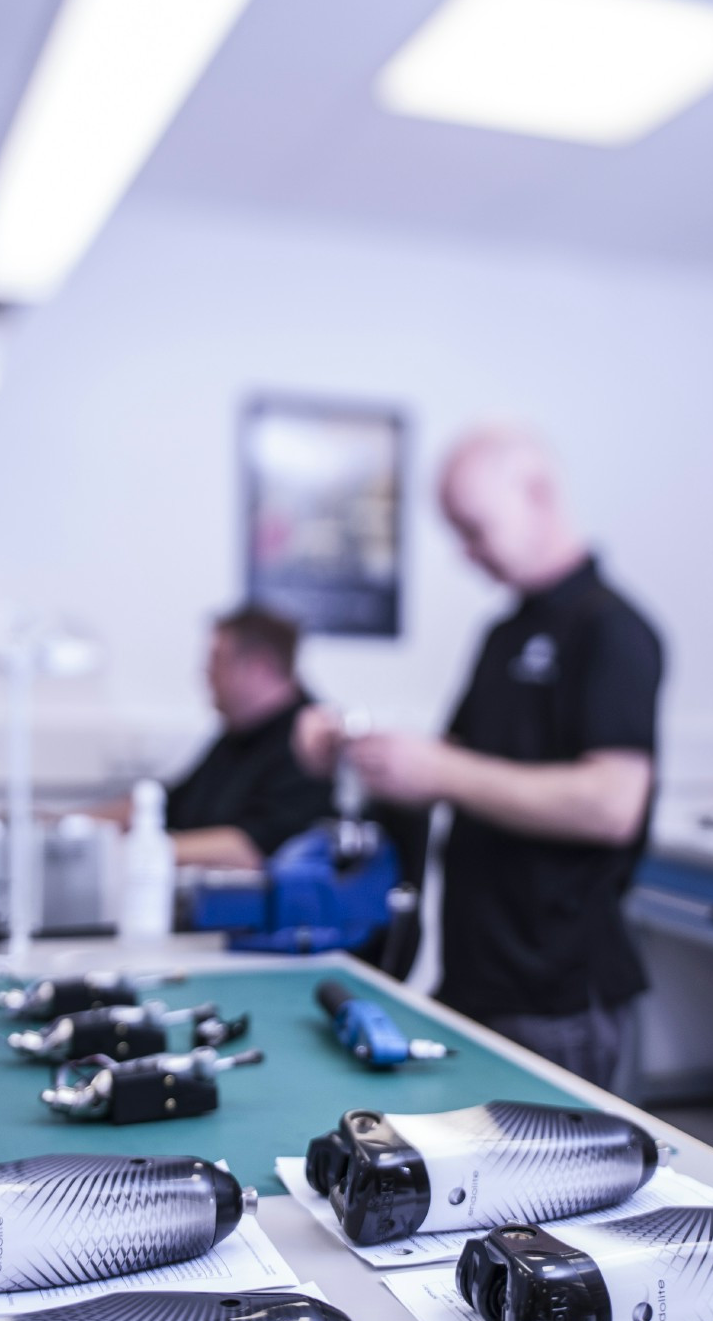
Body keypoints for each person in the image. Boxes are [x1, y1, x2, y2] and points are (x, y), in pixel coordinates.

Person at [296, 429, 662, 1095]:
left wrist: (439, 771)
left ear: (538, 494)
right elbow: (465, 768)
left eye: (474, 527)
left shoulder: (612, 631)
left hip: (558, 996)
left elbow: (613, 804)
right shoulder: (504, 634)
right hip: (477, 977)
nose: (465, 553)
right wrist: (367, 751)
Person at [148, 607, 333, 869]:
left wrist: (135, 853)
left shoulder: (311, 744)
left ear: (259, 666)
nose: (206, 674)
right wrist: (79, 823)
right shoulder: (238, 734)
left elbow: (252, 848)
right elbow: (167, 804)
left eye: (216, 660)